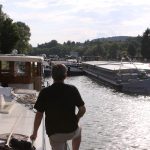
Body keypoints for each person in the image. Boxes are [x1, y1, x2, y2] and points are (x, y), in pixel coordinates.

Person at [30, 64, 86, 150]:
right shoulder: (72, 89)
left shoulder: (45, 92)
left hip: (55, 134)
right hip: (71, 131)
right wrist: (76, 118)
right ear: (65, 76)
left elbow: (39, 115)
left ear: (52, 76)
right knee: (78, 132)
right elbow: (82, 109)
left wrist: (35, 133)